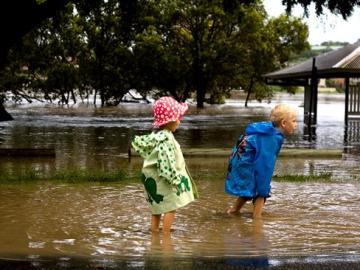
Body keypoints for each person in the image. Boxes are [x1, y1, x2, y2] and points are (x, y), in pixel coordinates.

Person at [132, 96, 198, 233]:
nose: (179, 122)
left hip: (154, 179)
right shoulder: (166, 139)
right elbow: (166, 162)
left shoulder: (157, 136)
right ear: (170, 121)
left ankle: (154, 231)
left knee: (157, 209)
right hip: (165, 179)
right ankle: (166, 234)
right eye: (177, 118)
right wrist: (175, 179)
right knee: (171, 207)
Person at [225, 104, 297, 218]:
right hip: (244, 161)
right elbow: (265, 165)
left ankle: (234, 211)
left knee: (251, 186)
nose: (296, 125)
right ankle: (257, 219)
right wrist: (263, 188)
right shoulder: (271, 138)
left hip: (239, 159)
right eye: (293, 121)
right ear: (283, 123)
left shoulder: (269, 131)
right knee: (261, 190)